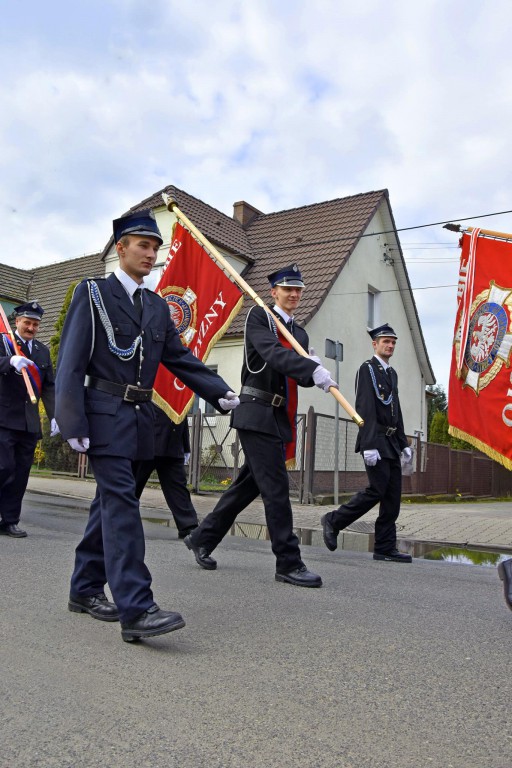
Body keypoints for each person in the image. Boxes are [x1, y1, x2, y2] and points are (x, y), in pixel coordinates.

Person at [55, 209, 239, 643]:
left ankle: (83, 589)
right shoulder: (94, 293)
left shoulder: (157, 307)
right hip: (101, 417)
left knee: (108, 506)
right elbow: (70, 361)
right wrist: (70, 417)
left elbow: (178, 359)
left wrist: (219, 391)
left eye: (155, 247)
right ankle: (137, 607)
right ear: (120, 248)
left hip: (138, 422)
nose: (150, 252)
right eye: (143, 244)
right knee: (121, 507)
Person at [184, 263, 337, 587]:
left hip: (277, 418)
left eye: (298, 289)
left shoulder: (299, 333)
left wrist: (314, 372)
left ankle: (202, 538)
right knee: (277, 490)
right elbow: (271, 355)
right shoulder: (260, 318)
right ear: (274, 292)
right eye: (288, 289)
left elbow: (297, 376)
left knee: (245, 489)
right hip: (256, 413)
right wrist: (309, 367)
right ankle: (288, 562)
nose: (294, 294)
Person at [321, 323, 413, 562]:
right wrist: (369, 443)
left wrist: (404, 443)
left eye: (393, 342)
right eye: (386, 342)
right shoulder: (367, 369)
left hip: (391, 441)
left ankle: (384, 547)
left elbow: (396, 409)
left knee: (392, 496)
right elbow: (364, 407)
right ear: (375, 344)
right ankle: (333, 520)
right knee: (377, 490)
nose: (390, 346)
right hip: (376, 440)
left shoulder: (391, 373)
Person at [0, 301, 57, 537]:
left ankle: (10, 520)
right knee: (4, 467)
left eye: (35, 324)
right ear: (17, 322)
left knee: (22, 473)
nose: (31, 328)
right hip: (3, 419)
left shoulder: (42, 351)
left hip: (29, 422)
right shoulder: (4, 343)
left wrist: (55, 416)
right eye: (27, 323)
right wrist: (8, 361)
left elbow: (49, 387)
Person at [133, 403, 198, 539]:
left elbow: (181, 410)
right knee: (131, 487)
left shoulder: (179, 382)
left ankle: (189, 526)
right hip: (146, 438)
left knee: (177, 488)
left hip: (172, 442)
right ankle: (116, 520)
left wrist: (185, 444)